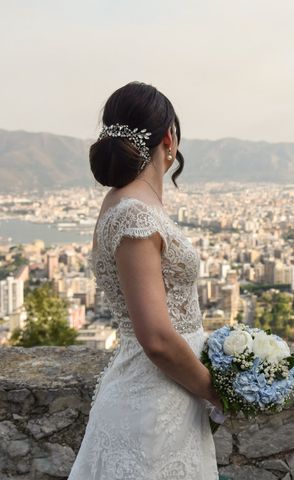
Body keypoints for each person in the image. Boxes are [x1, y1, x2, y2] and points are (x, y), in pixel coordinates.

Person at [68, 82, 223, 479]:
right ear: (169, 137)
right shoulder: (134, 214)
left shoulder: (123, 203)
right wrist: (215, 390)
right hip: (155, 404)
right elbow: (155, 337)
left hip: (165, 395)